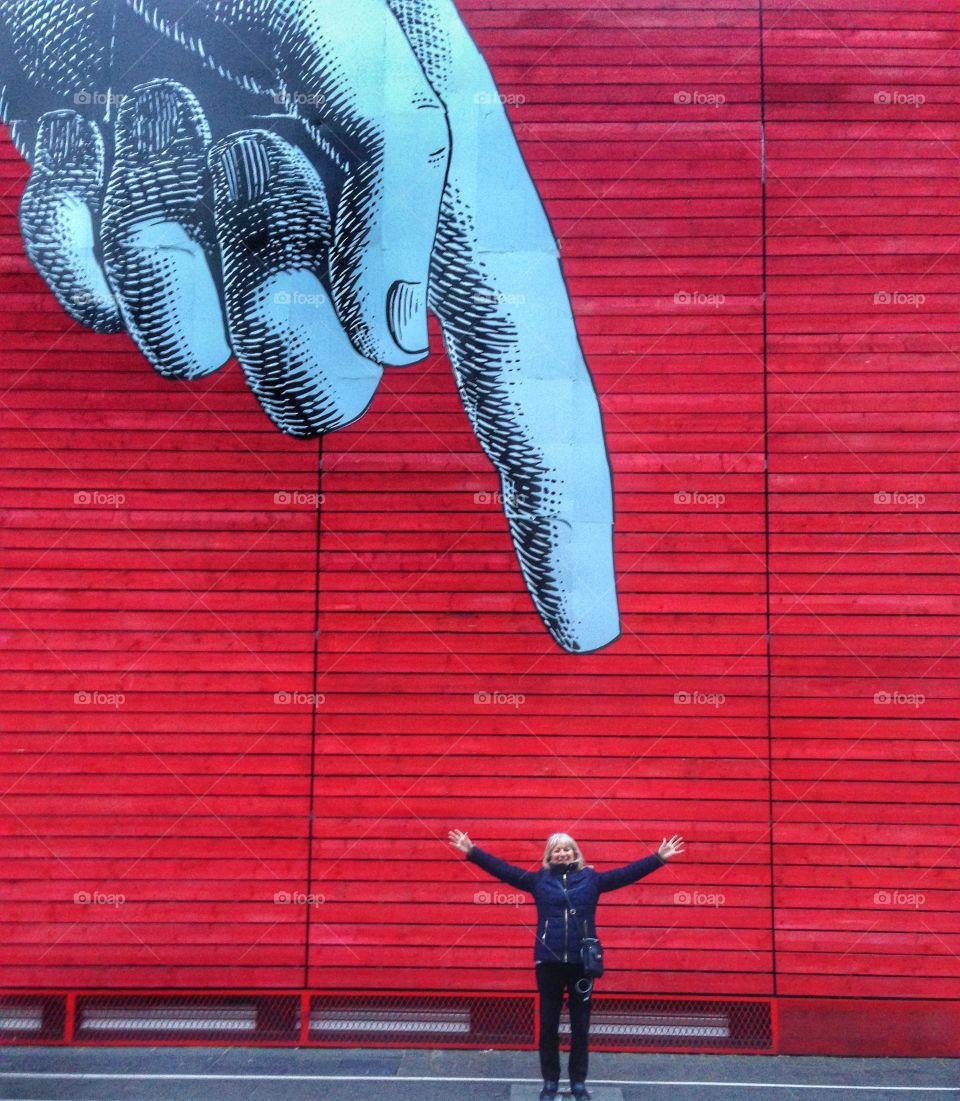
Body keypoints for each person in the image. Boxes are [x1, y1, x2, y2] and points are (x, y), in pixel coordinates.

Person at [449, 828, 684, 1101]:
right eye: (556, 850)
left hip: (581, 964)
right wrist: (472, 851)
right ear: (550, 856)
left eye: (566, 848)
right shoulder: (539, 881)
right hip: (548, 963)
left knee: (580, 1028)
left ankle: (578, 1084)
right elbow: (504, 871)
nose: (562, 853)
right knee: (548, 1026)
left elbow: (625, 875)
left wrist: (659, 858)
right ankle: (550, 1082)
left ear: (575, 853)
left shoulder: (591, 880)